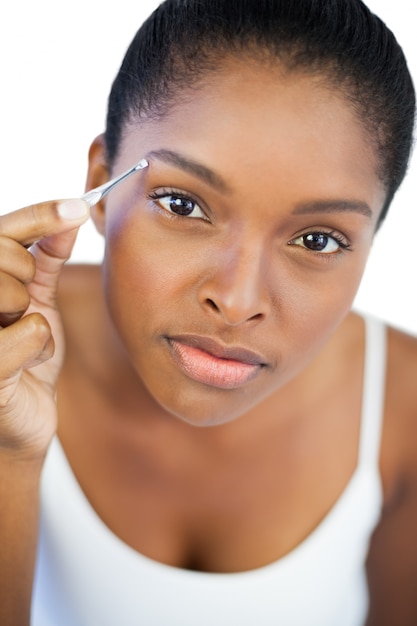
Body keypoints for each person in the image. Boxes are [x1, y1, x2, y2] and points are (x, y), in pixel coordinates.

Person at [0, 0, 416, 624]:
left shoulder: (406, 412)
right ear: (102, 183)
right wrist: (10, 453)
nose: (239, 300)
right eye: (182, 204)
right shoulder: (9, 357)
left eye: (318, 240)